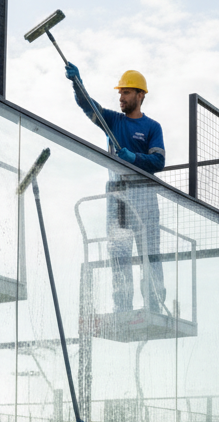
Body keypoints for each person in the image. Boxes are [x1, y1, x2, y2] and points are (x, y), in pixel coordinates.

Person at [64, 65, 167, 313]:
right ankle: (122, 304)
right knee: (119, 252)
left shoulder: (152, 127)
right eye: (120, 93)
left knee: (149, 252)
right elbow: (89, 106)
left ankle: (154, 304)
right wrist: (77, 84)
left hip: (143, 197)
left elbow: (158, 162)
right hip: (118, 198)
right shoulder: (112, 121)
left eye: (127, 93)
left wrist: (134, 158)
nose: (121, 98)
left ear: (140, 95)